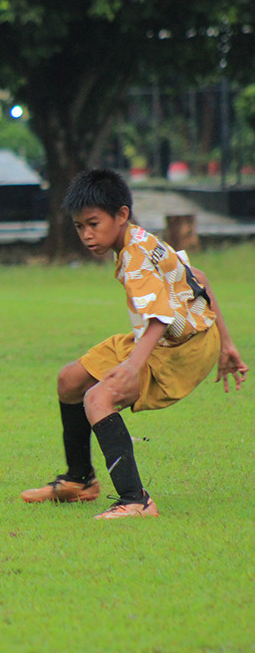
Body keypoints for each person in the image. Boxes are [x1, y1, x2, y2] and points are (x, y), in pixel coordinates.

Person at [21, 169, 247, 519]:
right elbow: (197, 277)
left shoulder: (137, 255)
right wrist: (228, 343)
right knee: (70, 380)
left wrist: (133, 366)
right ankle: (80, 481)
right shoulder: (138, 239)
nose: (87, 234)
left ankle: (136, 501)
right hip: (169, 336)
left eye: (94, 224)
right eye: (80, 226)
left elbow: (160, 315)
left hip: (181, 347)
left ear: (122, 214)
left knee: (99, 398)